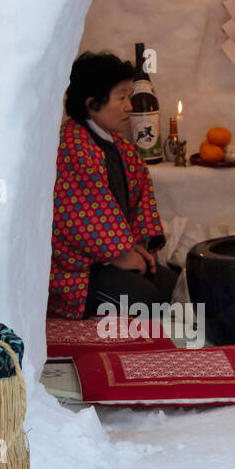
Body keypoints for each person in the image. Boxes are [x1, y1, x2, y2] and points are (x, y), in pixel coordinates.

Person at [48, 51, 178, 319]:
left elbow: (133, 204)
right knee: (147, 300)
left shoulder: (120, 148)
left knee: (172, 286)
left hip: (112, 254)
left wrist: (134, 248)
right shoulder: (72, 148)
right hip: (77, 269)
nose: (130, 106)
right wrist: (118, 255)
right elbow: (79, 219)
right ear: (92, 103)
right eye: (122, 97)